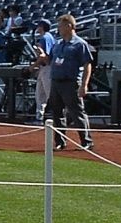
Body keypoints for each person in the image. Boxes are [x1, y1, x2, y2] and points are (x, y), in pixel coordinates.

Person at [33, 13, 97, 153]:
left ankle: (86, 141)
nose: (59, 29)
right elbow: (50, 61)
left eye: (61, 26)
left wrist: (84, 85)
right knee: (57, 113)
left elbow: (87, 64)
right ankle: (60, 142)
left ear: (69, 26)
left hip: (71, 82)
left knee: (77, 112)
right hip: (56, 82)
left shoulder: (80, 44)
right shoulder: (58, 44)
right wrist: (43, 56)